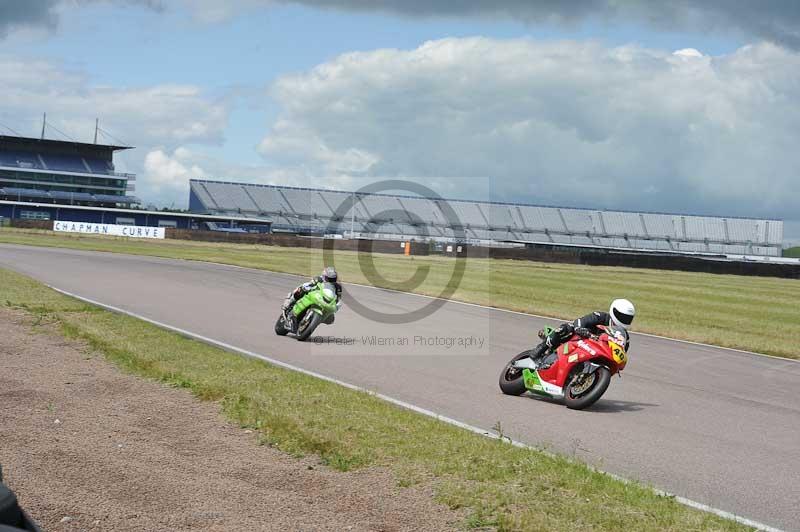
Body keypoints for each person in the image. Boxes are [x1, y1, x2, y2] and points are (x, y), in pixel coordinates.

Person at [531, 299, 635, 366]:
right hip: (581, 339)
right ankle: (540, 349)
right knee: (565, 329)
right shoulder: (600, 316)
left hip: (597, 352)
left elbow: (622, 352)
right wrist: (581, 329)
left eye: (628, 318)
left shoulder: (624, 336)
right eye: (623, 317)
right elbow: (580, 321)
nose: (625, 320)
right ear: (614, 311)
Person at [282, 266, 342, 331]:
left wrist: (336, 305)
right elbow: (307, 285)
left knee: (331, 319)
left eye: (333, 279)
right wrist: (306, 288)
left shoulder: (338, 287)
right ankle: (290, 301)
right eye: (329, 279)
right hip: (311, 295)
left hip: (322, 301)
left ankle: (312, 321)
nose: (331, 280)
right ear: (324, 276)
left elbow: (337, 298)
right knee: (301, 290)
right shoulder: (318, 279)